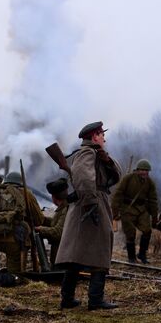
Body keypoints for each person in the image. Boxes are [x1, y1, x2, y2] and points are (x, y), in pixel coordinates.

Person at [55, 121, 122, 310]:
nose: (104, 138)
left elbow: (117, 175)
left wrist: (106, 159)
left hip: (91, 202)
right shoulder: (87, 153)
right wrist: (91, 203)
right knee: (98, 250)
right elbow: (84, 179)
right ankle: (95, 300)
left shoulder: (97, 154)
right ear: (94, 136)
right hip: (91, 203)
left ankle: (68, 299)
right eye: (101, 135)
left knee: (78, 255)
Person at [0, 171, 44, 287]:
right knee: (17, 277)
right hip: (13, 241)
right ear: (20, 182)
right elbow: (39, 219)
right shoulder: (25, 194)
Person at [111, 159, 158, 263]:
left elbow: (153, 200)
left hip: (141, 209)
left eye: (147, 171)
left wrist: (154, 217)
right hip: (127, 209)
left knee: (147, 230)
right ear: (137, 170)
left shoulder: (150, 182)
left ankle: (142, 254)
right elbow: (118, 194)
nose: (145, 172)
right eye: (142, 170)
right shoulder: (128, 178)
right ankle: (131, 257)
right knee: (130, 234)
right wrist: (115, 212)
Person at [35, 178, 70, 268]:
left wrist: (40, 229)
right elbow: (57, 223)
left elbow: (58, 232)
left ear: (54, 197)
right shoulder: (64, 208)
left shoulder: (66, 209)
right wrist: (42, 220)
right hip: (63, 257)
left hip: (63, 259)